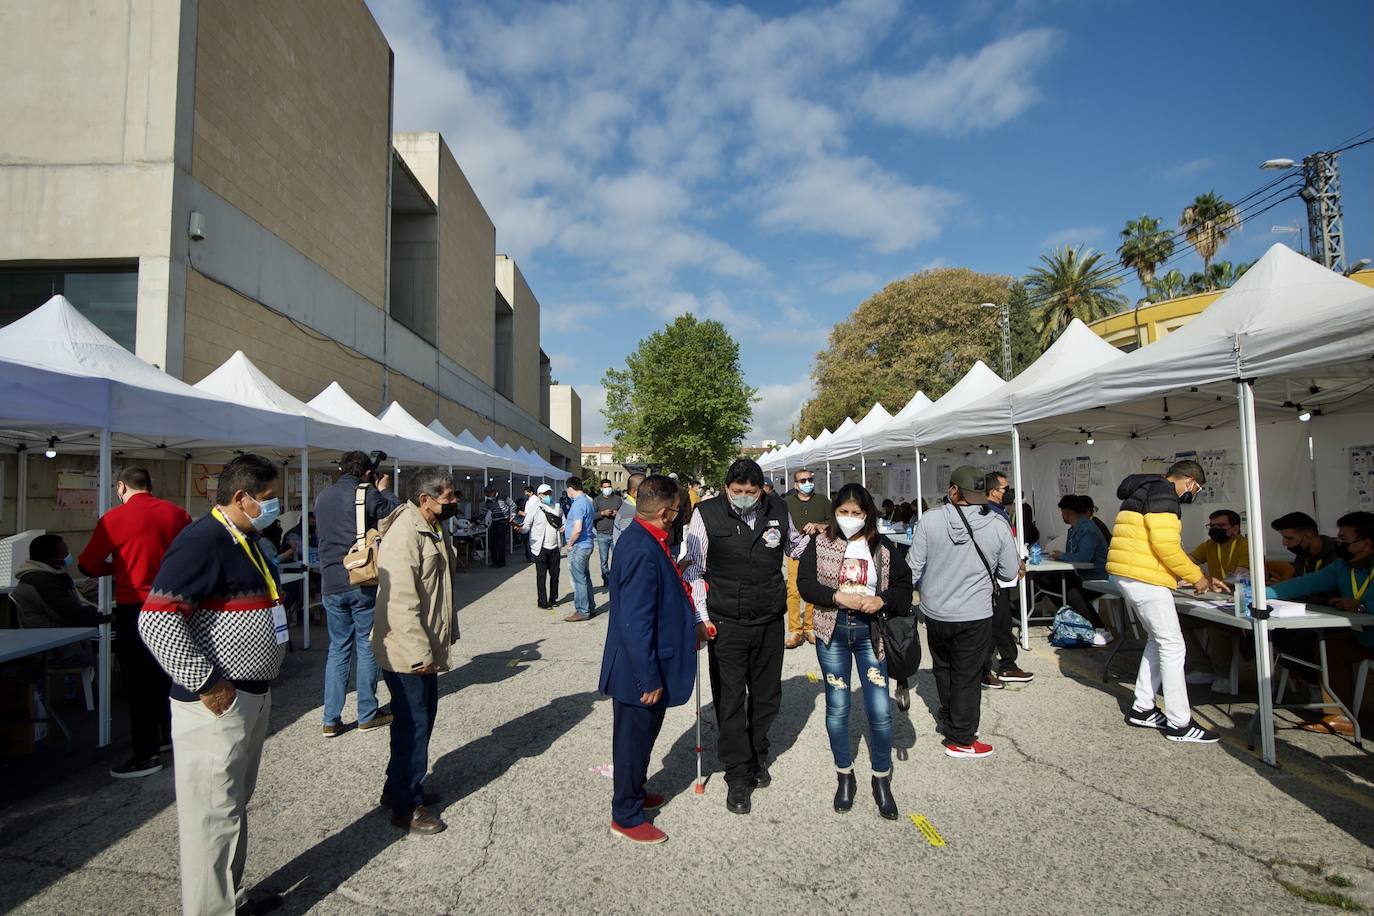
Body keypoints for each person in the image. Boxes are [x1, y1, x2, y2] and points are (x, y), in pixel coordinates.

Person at [139, 454, 287, 916]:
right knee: (212, 816)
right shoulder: (203, 541)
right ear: (240, 498)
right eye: (268, 499)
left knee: (231, 808)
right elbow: (157, 621)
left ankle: (230, 897)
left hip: (249, 694)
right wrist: (207, 682)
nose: (277, 506)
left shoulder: (244, 538)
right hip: (217, 702)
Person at [683, 458, 806, 814]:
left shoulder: (778, 510)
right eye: (737, 492)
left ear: (761, 489)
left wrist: (825, 543)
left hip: (768, 618)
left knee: (767, 696)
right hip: (725, 622)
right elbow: (694, 566)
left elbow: (796, 547)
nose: (744, 498)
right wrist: (700, 617)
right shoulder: (706, 515)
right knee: (731, 699)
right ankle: (737, 774)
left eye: (751, 492)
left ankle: (758, 753)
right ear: (726, 489)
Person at [796, 484, 912, 818]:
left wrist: (882, 600)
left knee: (879, 709)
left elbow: (904, 587)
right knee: (838, 706)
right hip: (832, 632)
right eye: (843, 512)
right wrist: (835, 596)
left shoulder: (882, 546)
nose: (849, 519)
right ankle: (844, 773)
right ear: (834, 513)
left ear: (868, 514)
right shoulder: (820, 544)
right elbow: (806, 585)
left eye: (857, 513)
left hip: (870, 633)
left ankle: (880, 777)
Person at [599, 475, 697, 844]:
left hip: (645, 664)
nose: (678, 515)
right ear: (665, 512)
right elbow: (635, 622)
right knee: (631, 744)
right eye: (676, 509)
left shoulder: (645, 539)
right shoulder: (642, 547)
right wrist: (648, 678)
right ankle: (625, 814)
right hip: (638, 671)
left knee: (641, 741)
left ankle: (635, 793)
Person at [78, 466, 192, 779]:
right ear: (150, 485)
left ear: (121, 487)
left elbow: (87, 564)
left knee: (139, 681)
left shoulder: (114, 519)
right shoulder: (177, 514)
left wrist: (119, 569)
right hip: (174, 604)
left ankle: (146, 753)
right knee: (171, 672)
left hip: (136, 606)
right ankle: (171, 734)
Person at [1107, 460, 1228, 744]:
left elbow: (1153, 543)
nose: (1193, 493)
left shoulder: (1144, 489)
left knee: (1157, 641)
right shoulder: (1163, 493)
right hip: (1144, 578)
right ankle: (1179, 722)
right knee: (1173, 646)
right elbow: (1166, 546)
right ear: (1188, 480)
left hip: (1131, 572)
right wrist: (1197, 577)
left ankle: (1143, 708)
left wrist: (1191, 575)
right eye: (1196, 488)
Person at [907, 467, 1018, 759]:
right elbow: (1008, 573)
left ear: (953, 489)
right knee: (967, 675)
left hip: (935, 611)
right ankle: (962, 737)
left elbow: (913, 568)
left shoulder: (929, 520)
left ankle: (949, 716)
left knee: (943, 668)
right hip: (975, 613)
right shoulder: (997, 523)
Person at [372, 467, 459, 835]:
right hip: (408, 651)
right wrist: (419, 652)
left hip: (423, 646)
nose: (454, 503)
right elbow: (400, 602)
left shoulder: (431, 527)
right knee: (414, 726)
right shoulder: (405, 532)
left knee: (417, 723)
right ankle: (407, 807)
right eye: (448, 497)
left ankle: (400, 789)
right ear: (425, 499)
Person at [313, 450, 401, 738]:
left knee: (338, 648)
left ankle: (331, 718)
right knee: (366, 645)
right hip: (360, 578)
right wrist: (384, 491)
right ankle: (366, 712)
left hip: (330, 580)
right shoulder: (366, 492)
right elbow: (393, 514)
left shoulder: (322, 497)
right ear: (366, 473)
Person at [1267, 511, 1374, 737]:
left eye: (1344, 540)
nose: (1338, 543)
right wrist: (1258, 594)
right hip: (1364, 636)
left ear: (1366, 544)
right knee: (1329, 647)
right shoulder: (1342, 567)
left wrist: (1363, 606)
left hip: (1365, 631)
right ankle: (1339, 716)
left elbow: (1361, 604)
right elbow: (1304, 584)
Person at [1181, 509, 1249, 693]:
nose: (1214, 529)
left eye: (1221, 526)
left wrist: (1211, 581)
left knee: (1216, 628)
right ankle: (1201, 667)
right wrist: (1195, 574)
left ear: (1235, 528)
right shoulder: (1209, 545)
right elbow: (1188, 562)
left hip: (1238, 603)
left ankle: (1223, 675)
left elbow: (1240, 576)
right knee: (1177, 620)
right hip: (1214, 601)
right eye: (1212, 526)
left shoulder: (1246, 546)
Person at [13, 534, 100, 669]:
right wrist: (100, 614)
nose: (68, 555)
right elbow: (70, 614)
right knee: (121, 637)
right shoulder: (42, 582)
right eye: (64, 552)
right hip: (59, 646)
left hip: (58, 640)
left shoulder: (44, 576)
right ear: (50, 558)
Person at [981, 473, 1035, 686]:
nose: (1008, 492)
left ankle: (1005, 665)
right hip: (994, 579)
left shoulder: (1000, 511)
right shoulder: (988, 513)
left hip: (1001, 579)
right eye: (1005, 488)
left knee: (1001, 623)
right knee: (996, 624)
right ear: (993, 491)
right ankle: (991, 668)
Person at [1051, 494, 1114, 646]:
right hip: (1083, 574)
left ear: (1068, 512)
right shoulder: (1075, 528)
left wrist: (1062, 556)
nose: (1062, 516)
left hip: (1097, 577)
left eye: (1062, 512)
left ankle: (1100, 628)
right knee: (1049, 582)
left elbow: (1083, 557)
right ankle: (1074, 621)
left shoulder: (1088, 529)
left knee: (1071, 591)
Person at [783, 467, 832, 649]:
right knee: (793, 591)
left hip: (817, 551)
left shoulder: (823, 501)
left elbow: (833, 522)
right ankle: (795, 630)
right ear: (795, 485)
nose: (807, 483)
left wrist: (819, 525)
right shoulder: (787, 502)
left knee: (813, 590)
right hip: (795, 552)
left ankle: (810, 627)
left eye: (809, 479)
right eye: (802, 481)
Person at [521, 483, 564, 609]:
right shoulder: (534, 507)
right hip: (540, 548)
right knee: (541, 575)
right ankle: (542, 601)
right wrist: (520, 529)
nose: (548, 496)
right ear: (539, 495)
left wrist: (564, 528)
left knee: (555, 575)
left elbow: (563, 521)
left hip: (555, 546)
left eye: (549, 493)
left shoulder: (556, 506)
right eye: (545, 494)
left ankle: (553, 598)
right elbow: (526, 526)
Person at [562, 477, 598, 622]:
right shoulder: (587, 502)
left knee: (579, 580)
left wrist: (570, 543)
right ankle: (590, 607)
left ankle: (582, 610)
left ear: (570, 488)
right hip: (586, 543)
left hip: (579, 545)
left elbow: (577, 529)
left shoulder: (578, 505)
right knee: (585, 577)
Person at [1271, 511, 1338, 581]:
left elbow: (1322, 587)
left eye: (1290, 538)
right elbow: (1298, 584)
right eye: (1283, 537)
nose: (1284, 543)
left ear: (1307, 537)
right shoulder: (1302, 554)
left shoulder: (1336, 557)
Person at [593, 477, 622, 584]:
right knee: (603, 559)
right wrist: (602, 513)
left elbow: (624, 514)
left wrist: (617, 514)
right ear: (601, 488)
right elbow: (591, 515)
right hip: (602, 534)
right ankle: (606, 579)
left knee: (617, 558)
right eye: (605, 487)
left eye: (609, 487)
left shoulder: (618, 499)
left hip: (616, 533)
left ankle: (616, 578)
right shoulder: (597, 500)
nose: (608, 489)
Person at [480, 487, 513, 567]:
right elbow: (484, 511)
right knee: (492, 542)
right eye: (486, 494)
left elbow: (513, 505)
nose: (488, 496)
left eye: (488, 494)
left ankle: (501, 562)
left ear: (493, 492)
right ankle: (495, 561)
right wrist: (479, 520)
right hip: (494, 521)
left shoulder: (503, 497)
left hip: (503, 521)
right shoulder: (488, 501)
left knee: (501, 543)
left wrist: (512, 515)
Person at [611, 473, 645, 551]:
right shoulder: (628, 513)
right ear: (634, 492)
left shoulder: (633, 508)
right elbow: (631, 544)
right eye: (646, 490)